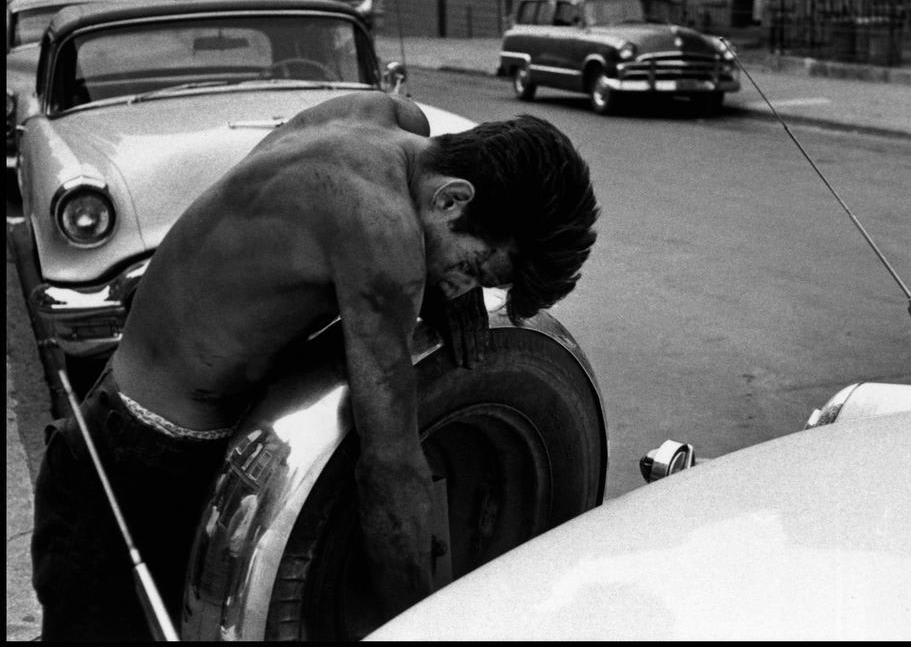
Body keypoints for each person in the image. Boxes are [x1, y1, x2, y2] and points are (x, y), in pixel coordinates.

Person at [31, 91, 599, 641]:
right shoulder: (381, 233)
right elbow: (390, 469)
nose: (458, 286)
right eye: (473, 269)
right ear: (452, 199)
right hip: (138, 463)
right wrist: (423, 622)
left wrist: (461, 290)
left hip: (128, 400)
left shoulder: (387, 120)